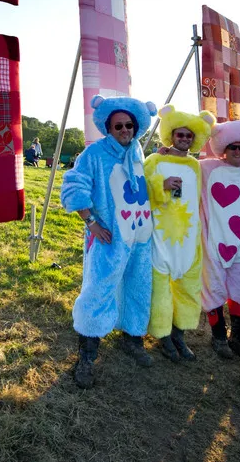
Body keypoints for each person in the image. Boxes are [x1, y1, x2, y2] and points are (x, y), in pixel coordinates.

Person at [61, 95, 158, 389]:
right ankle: (87, 354)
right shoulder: (94, 153)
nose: (124, 130)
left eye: (129, 125)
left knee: (138, 286)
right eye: (118, 126)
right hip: (110, 237)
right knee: (99, 289)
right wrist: (91, 222)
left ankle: (132, 337)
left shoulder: (137, 151)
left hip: (139, 235)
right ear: (108, 127)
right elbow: (73, 186)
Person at [143, 106, 215, 362]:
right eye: (180, 134)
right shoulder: (155, 160)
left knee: (187, 286)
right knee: (161, 287)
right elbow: (140, 190)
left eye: (188, 135)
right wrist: (160, 185)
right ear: (171, 136)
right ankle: (163, 336)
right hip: (161, 233)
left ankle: (179, 334)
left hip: (188, 235)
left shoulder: (195, 165)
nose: (184, 139)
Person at [198, 120, 240, 363]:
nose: (237, 151)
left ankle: (239, 338)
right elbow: (182, 165)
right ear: (223, 148)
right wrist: (166, 153)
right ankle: (218, 337)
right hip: (214, 239)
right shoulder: (207, 167)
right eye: (232, 147)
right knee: (213, 286)